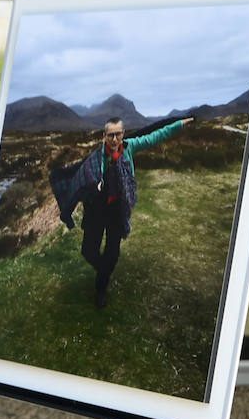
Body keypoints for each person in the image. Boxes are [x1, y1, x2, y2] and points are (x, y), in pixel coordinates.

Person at [52, 114, 193, 308]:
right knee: (88, 251)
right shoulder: (97, 157)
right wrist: (96, 184)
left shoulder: (130, 147)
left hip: (117, 210)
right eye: (110, 135)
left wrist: (179, 125)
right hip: (96, 209)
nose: (114, 139)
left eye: (118, 134)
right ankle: (104, 271)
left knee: (112, 252)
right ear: (104, 136)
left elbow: (156, 135)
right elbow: (85, 176)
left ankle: (101, 289)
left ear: (123, 134)